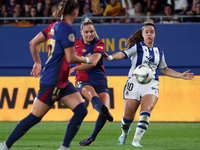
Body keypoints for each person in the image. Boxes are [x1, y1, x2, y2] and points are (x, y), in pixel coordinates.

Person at [0, 0, 93, 150]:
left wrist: (37, 62)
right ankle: (5, 145)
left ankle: (64, 147)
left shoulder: (53, 26)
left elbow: (33, 43)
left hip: (61, 80)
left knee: (81, 110)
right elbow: (70, 58)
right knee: (35, 117)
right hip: (53, 80)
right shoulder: (68, 29)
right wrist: (88, 59)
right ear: (76, 12)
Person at [104, 23, 194, 147]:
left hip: (151, 84)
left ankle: (136, 140)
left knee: (146, 110)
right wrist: (110, 57)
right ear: (142, 34)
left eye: (151, 32)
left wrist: (181, 75)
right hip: (134, 83)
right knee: (127, 118)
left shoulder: (159, 52)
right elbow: (123, 54)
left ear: (155, 34)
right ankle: (125, 132)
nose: (149, 34)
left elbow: (165, 69)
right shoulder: (136, 48)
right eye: (146, 32)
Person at [69, 18, 113, 146]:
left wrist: (75, 67)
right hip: (83, 79)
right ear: (81, 32)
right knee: (93, 95)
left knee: (105, 111)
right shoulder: (75, 44)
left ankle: (92, 137)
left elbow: (93, 63)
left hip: (99, 80)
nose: (89, 34)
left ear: (95, 32)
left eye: (92, 32)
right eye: (86, 32)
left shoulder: (99, 44)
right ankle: (103, 109)